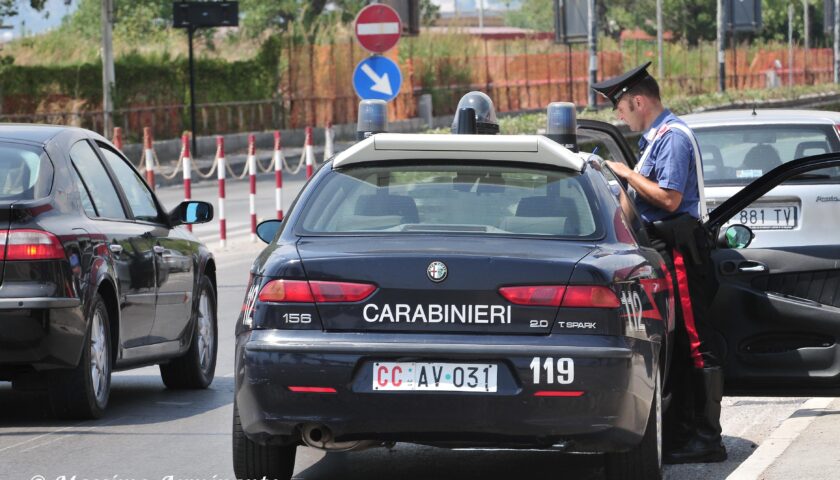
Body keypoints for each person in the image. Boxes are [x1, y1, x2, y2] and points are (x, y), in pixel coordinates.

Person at [592, 62, 727, 464]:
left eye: (620, 107)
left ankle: (707, 438)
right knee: (681, 345)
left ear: (638, 101)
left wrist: (625, 174)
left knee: (696, 343)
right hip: (666, 249)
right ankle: (685, 431)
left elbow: (668, 199)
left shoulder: (672, 138)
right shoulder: (658, 140)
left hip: (681, 250)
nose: (618, 115)